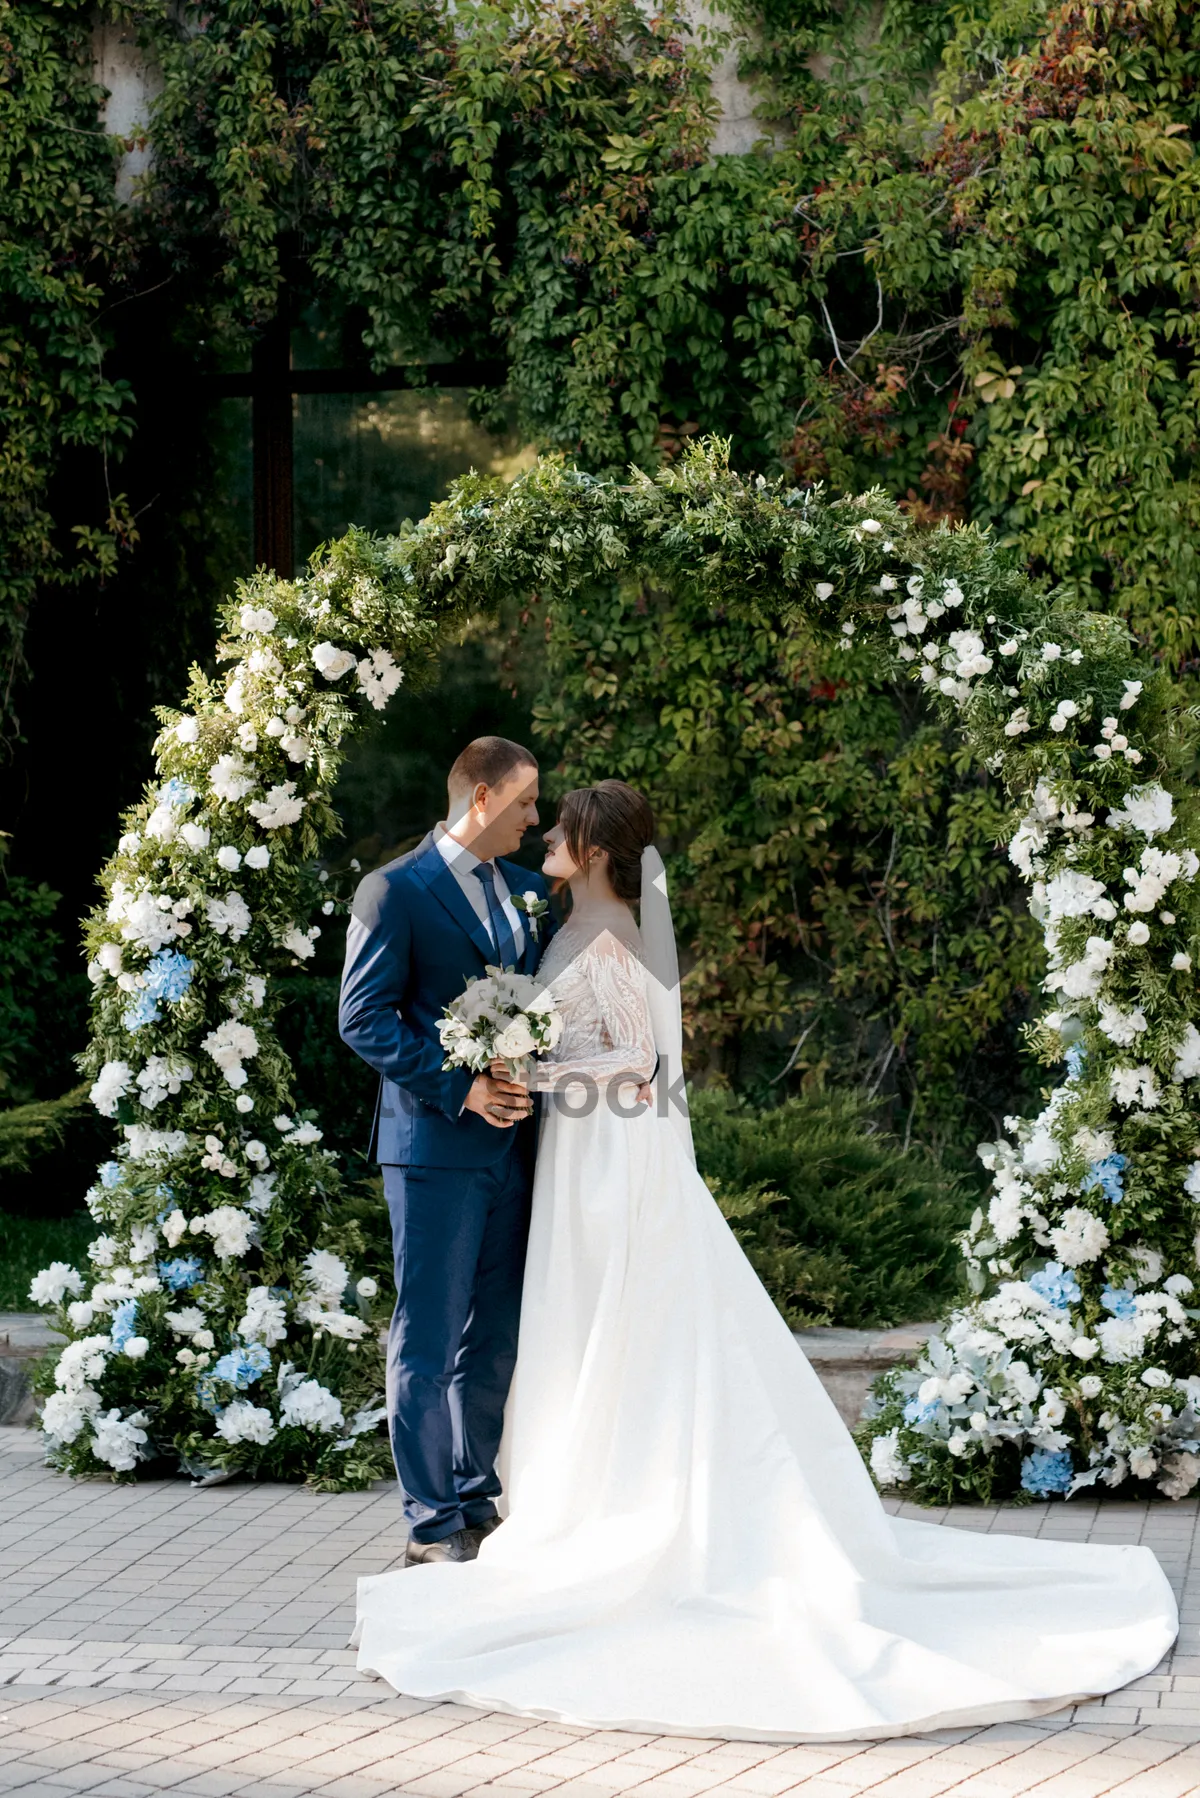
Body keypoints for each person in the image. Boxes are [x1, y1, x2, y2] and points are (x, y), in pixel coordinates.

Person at [352, 779, 1177, 1741]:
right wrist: (508, 1061)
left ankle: (597, 1505)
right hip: (569, 1157)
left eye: (561, 826)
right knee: (559, 1328)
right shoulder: (540, 917)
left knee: (614, 1324)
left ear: (599, 850)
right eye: (539, 813)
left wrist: (530, 1066)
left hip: (608, 1159)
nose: (544, 833)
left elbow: (642, 1066)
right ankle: (483, 1507)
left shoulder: (602, 930)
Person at [338, 736, 553, 1566]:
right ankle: (430, 1525)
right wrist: (460, 1086)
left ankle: (474, 1497)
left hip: (513, 1151)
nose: (537, 821)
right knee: (427, 1338)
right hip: (432, 1148)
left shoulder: (528, 893)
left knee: (493, 1337)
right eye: (528, 803)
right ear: (485, 799)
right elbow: (363, 1019)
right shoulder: (393, 891)